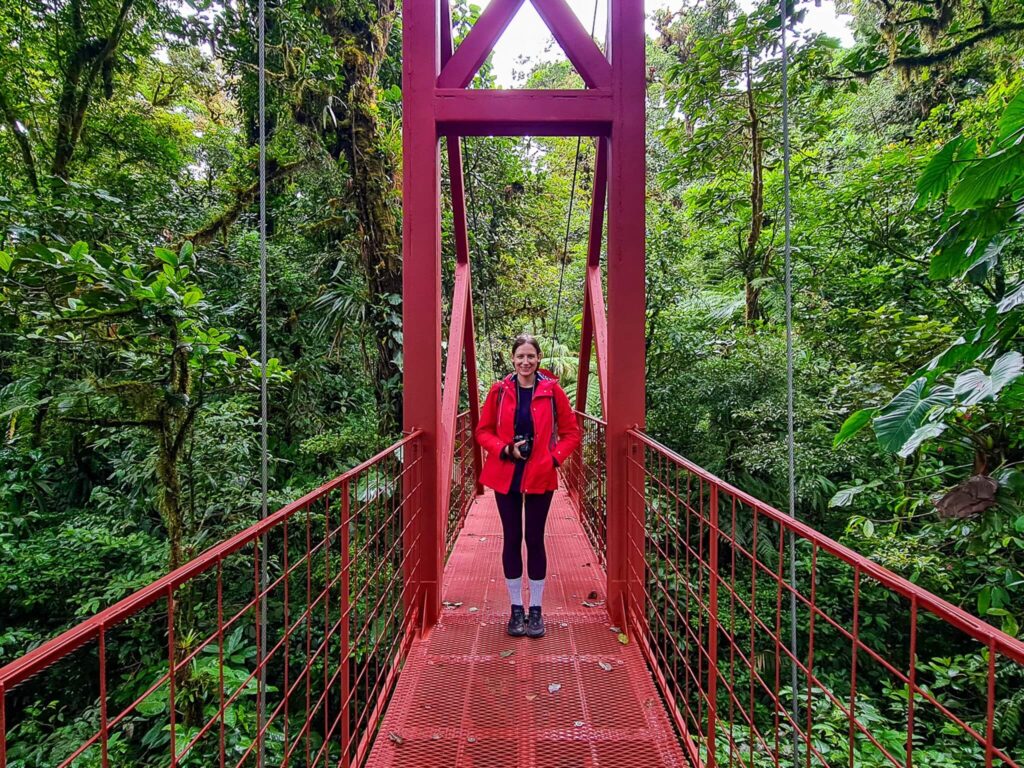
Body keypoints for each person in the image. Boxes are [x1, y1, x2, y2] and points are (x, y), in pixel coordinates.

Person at [476, 334, 581, 638]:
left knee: (534, 539)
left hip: (540, 474)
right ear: (512, 359)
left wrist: (554, 459)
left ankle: (535, 609)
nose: (525, 362)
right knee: (512, 537)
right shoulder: (499, 392)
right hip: (505, 473)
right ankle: (515, 608)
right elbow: (482, 432)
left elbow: (571, 433)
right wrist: (505, 449)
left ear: (538, 360)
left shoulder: (552, 392)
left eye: (531, 357)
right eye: (520, 356)